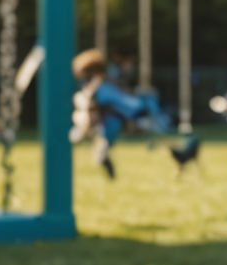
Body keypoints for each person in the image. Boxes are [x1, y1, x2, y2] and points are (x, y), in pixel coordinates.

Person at [69, 49, 200, 177]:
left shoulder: (99, 86)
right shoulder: (103, 85)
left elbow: (118, 102)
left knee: (157, 132)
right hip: (127, 115)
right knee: (157, 130)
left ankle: (186, 147)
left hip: (128, 116)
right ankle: (186, 147)